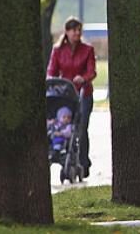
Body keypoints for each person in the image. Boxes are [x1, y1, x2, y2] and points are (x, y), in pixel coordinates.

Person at [47, 17, 97, 172]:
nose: (77, 33)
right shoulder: (58, 50)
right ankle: (56, 150)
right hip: (64, 94)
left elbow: (92, 71)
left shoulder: (87, 50)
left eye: (79, 30)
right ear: (67, 32)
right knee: (61, 123)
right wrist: (52, 81)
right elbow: (51, 71)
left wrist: (84, 78)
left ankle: (83, 161)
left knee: (81, 128)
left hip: (83, 93)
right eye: (74, 30)